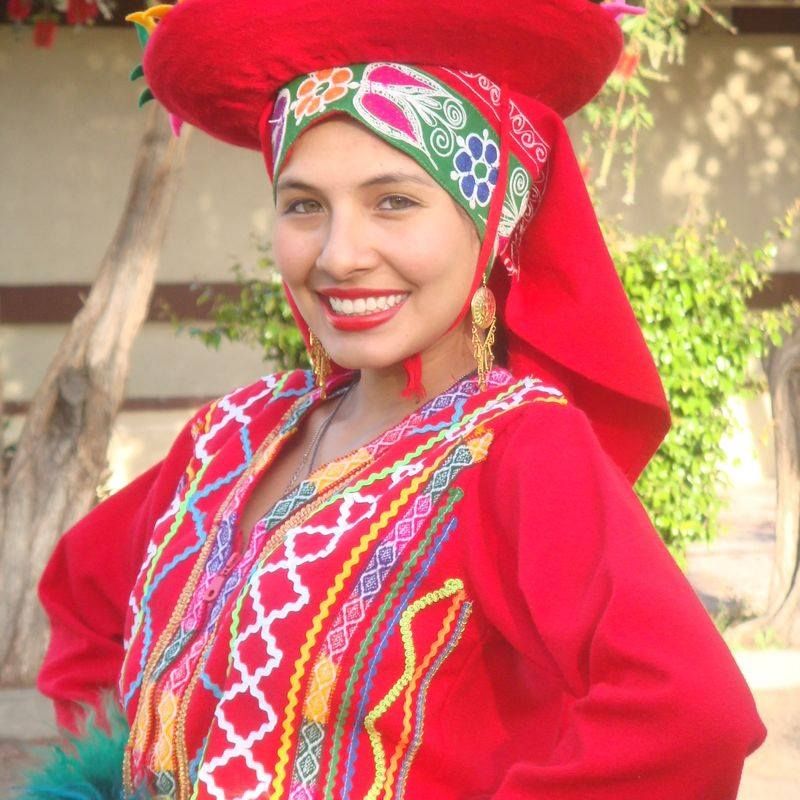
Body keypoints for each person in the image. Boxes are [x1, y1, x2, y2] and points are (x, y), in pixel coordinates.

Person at [35, 1, 766, 798]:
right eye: (304, 205)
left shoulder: (517, 449)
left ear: (492, 224)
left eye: (395, 201)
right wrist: (107, 767)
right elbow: (86, 591)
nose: (341, 255)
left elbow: (692, 718)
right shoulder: (233, 434)